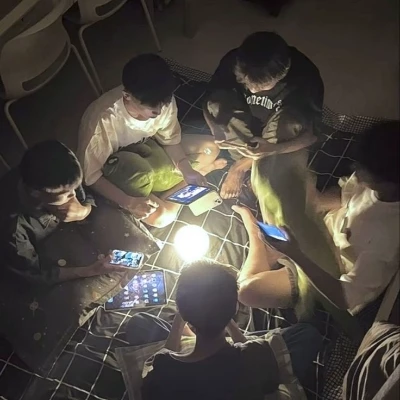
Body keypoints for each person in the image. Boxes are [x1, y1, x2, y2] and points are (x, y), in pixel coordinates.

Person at [238, 121, 400, 314]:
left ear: (388, 182)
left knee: (247, 291)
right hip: (320, 234)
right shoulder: (372, 183)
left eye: (363, 169)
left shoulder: (387, 238)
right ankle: (273, 248)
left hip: (329, 272)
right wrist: (307, 198)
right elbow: (345, 197)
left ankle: (256, 235)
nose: (356, 170)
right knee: (274, 184)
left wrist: (295, 253)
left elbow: (344, 298)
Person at [126, 261, 322, 399]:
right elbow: (250, 350)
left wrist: (181, 317)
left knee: (139, 323)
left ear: (181, 308)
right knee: (307, 334)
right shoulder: (255, 356)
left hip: (195, 345)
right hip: (241, 357)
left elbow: (165, 354)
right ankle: (199, 332)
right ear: (235, 308)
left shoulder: (161, 367)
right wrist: (228, 321)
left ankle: (191, 336)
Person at [77, 54, 226, 228]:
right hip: (123, 168)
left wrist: (186, 169)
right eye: (152, 108)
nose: (159, 111)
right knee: (162, 218)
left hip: (150, 147)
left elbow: (170, 141)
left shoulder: (163, 101)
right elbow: (92, 177)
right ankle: (173, 194)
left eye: (163, 104)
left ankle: (173, 191)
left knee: (211, 148)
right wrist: (128, 202)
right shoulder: (101, 121)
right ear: (127, 96)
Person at [204, 31, 323, 199]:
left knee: (289, 123)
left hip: (274, 138)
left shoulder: (305, 80)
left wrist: (274, 149)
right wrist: (215, 128)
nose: (252, 90)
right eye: (246, 83)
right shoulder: (235, 61)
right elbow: (209, 101)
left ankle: (243, 166)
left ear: (281, 75)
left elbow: (310, 137)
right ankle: (250, 162)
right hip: (244, 134)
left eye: (260, 86)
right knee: (217, 105)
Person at [0, 141, 126, 285]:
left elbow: (84, 194)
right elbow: (33, 271)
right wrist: (89, 271)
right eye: (66, 195)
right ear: (36, 193)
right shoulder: (13, 228)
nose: (74, 195)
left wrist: (85, 210)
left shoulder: (64, 173)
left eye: (74, 189)